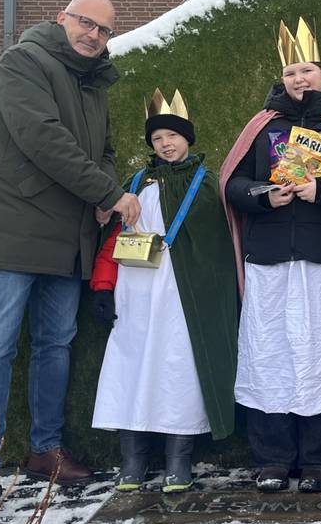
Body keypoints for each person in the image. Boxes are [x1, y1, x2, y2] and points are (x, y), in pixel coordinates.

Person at [0, 0, 141, 517]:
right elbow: (43, 139)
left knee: (55, 343)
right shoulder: (23, 62)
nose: (94, 36)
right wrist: (108, 195)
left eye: (104, 31)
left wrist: (102, 191)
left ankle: (46, 451)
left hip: (68, 234)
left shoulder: (91, 83)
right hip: (10, 230)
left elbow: (101, 151)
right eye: (87, 23)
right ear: (62, 18)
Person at [220, 19, 321, 493]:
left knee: (320, 355)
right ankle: (272, 458)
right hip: (269, 259)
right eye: (290, 72)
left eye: (306, 70)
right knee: (270, 354)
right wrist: (265, 197)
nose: (298, 80)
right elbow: (233, 183)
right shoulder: (263, 126)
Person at [89, 90, 239, 492]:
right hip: (136, 298)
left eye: (173, 136)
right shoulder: (135, 184)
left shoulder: (207, 186)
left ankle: (179, 462)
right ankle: (132, 462)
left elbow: (220, 249)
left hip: (181, 300)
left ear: (188, 138)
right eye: (157, 139)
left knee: (179, 372)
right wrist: (104, 287)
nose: (166, 144)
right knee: (131, 372)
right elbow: (113, 240)